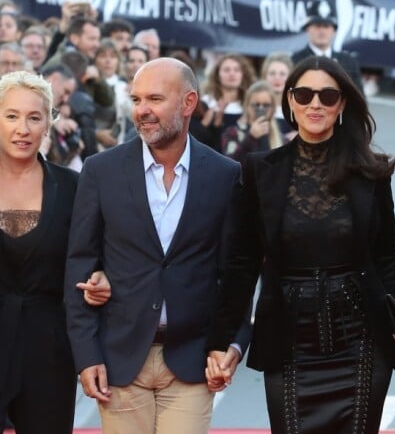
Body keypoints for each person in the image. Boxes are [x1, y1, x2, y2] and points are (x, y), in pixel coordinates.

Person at [206, 55, 395, 433]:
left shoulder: (369, 172)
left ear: (342, 104)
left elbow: (387, 253)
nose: (315, 104)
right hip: (289, 338)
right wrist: (223, 338)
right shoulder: (260, 170)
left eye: (327, 96)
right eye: (305, 94)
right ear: (290, 101)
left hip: (360, 337)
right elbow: (242, 263)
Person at [65, 57, 251, 434]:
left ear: (188, 103)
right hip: (119, 358)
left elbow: (236, 275)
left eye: (154, 98)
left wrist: (232, 343)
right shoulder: (101, 171)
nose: (142, 111)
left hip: (192, 360)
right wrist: (86, 357)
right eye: (136, 100)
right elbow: (80, 268)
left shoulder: (225, 175)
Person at [0, 70, 109, 432]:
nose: (23, 128)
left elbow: (97, 256)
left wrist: (101, 277)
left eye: (34, 117)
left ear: (49, 123)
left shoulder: (74, 186)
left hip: (49, 350)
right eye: (11, 116)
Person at [292, 0, 364, 94]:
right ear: (307, 28)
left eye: (326, 26)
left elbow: (360, 100)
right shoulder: (295, 61)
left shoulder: (349, 63)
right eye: (317, 26)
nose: (322, 31)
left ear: (334, 30)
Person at [221, 80, 283, 161]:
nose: (261, 109)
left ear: (273, 109)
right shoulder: (232, 133)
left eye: (266, 105)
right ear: (247, 106)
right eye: (256, 105)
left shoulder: (280, 138)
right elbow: (230, 162)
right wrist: (251, 137)